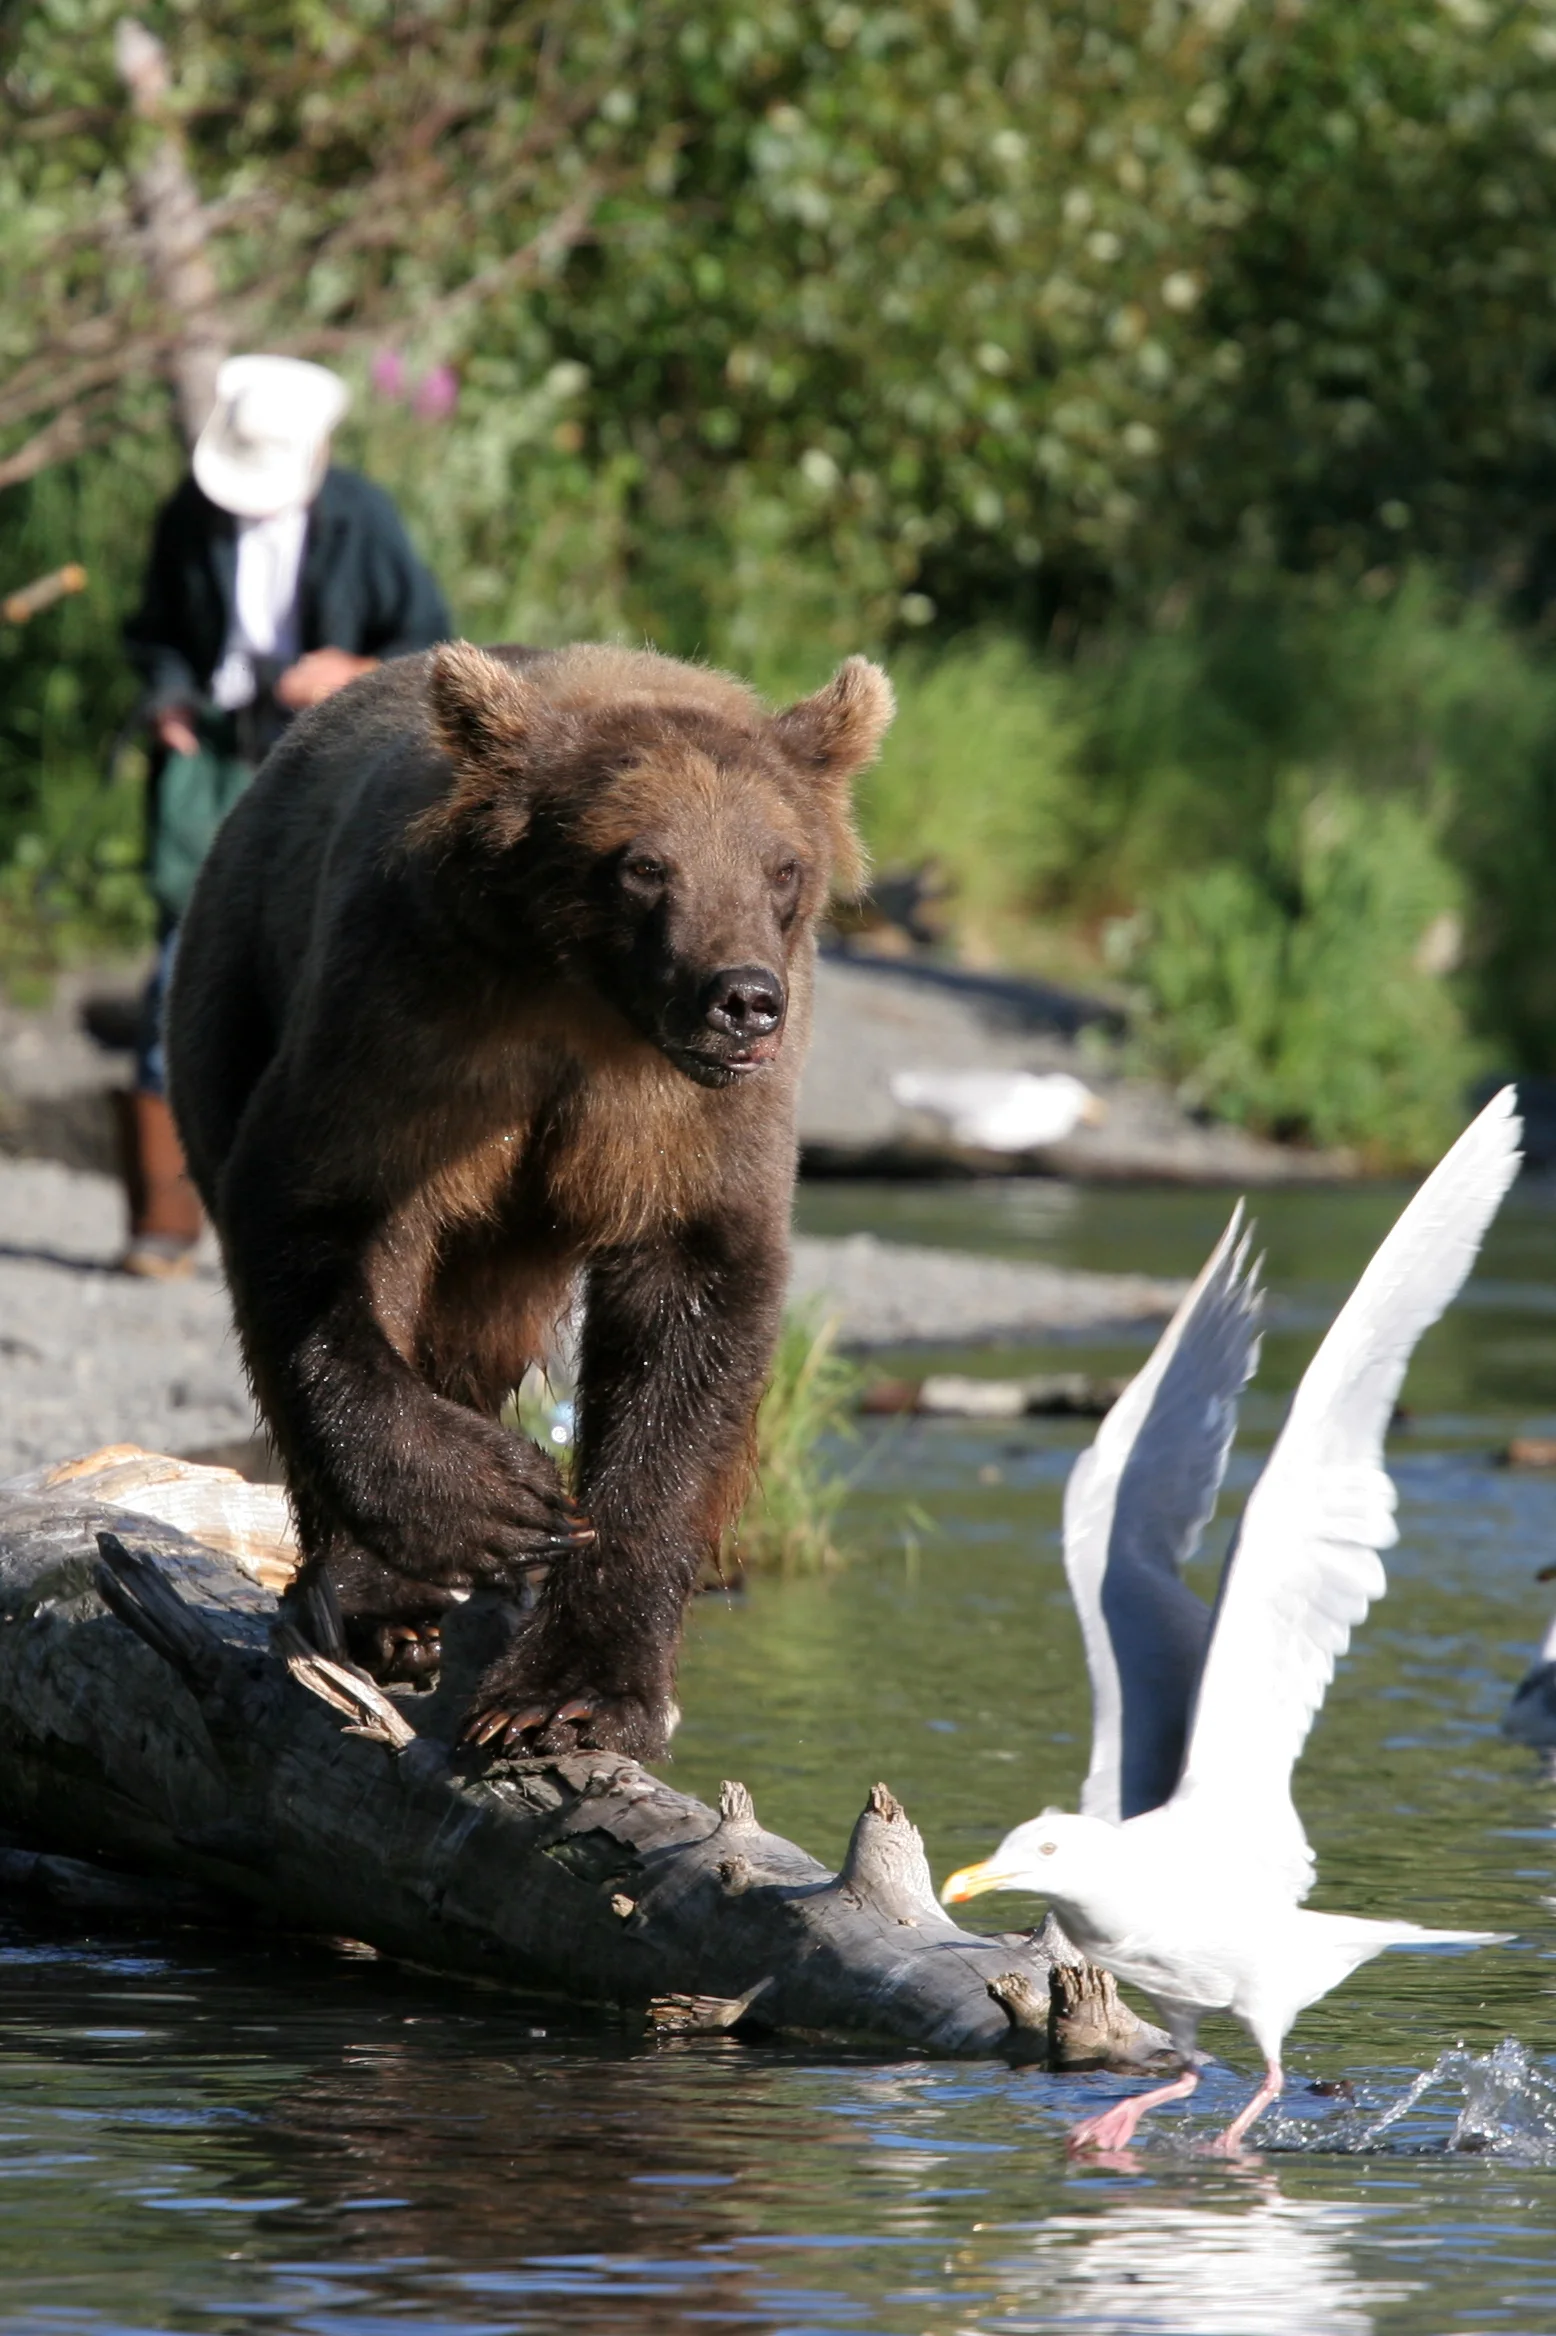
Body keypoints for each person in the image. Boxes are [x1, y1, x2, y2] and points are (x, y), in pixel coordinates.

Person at [120, 354, 451, 1276]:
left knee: (317, 971)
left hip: (333, 767)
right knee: (182, 972)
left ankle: (295, 1219)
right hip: (214, 763)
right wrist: (172, 700)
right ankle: (164, 1220)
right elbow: (152, 635)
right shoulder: (188, 518)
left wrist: (348, 676)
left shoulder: (363, 518)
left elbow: (434, 642)